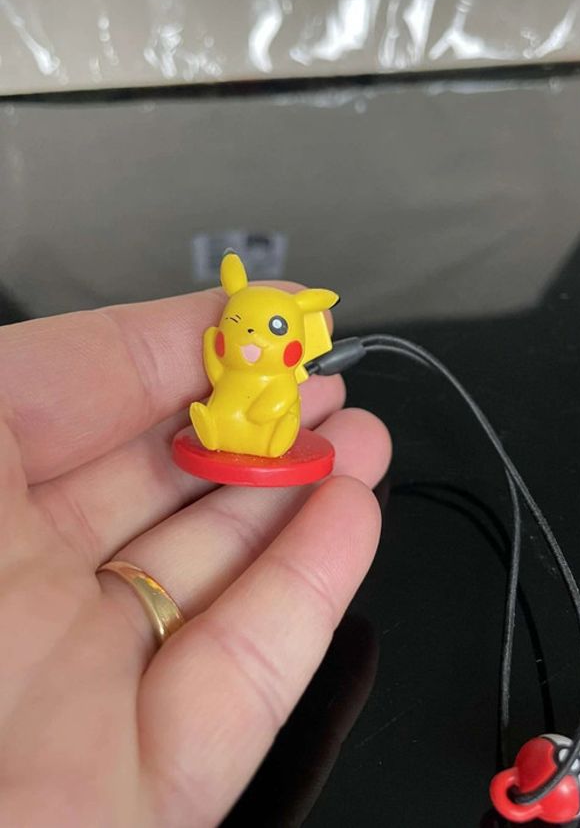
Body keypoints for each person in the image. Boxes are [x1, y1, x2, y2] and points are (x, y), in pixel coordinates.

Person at [0, 284, 391, 826]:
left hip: (268, 418)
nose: (252, 337)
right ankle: (220, 427)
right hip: (227, 411)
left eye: (271, 330)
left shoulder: (284, 378)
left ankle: (248, 433)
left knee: (268, 421)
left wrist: (270, 399)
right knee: (226, 411)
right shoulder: (228, 355)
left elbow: (278, 396)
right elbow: (218, 359)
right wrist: (217, 356)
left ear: (296, 343)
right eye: (242, 326)